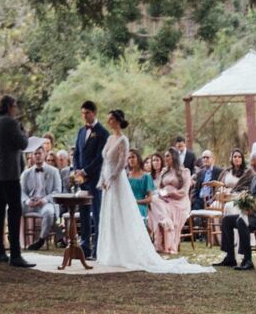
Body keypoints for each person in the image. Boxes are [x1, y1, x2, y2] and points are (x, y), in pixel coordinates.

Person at [92, 109, 211, 276]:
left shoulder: (123, 140)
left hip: (117, 180)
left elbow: (120, 164)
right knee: (109, 215)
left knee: (120, 213)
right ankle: (109, 252)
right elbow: (106, 162)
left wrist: (111, 178)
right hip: (107, 181)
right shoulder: (109, 138)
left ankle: (126, 253)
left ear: (118, 121)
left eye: (111, 119)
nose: (109, 121)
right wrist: (102, 180)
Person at [214, 151, 256, 272]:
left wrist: (253, 212)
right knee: (226, 220)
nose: (254, 168)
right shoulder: (255, 178)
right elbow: (250, 198)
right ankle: (230, 257)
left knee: (242, 221)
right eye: (252, 165)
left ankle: (247, 259)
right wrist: (244, 204)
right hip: (253, 215)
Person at [0, 93, 32, 268]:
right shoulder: (11, 123)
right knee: (14, 210)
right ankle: (16, 254)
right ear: (9, 107)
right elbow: (23, 144)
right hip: (10, 173)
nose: (16, 110)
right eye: (15, 107)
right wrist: (23, 132)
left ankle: (0, 252)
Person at [72, 101, 108, 261]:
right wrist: (77, 171)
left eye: (87, 113)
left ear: (94, 112)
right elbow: (76, 153)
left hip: (96, 180)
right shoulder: (81, 131)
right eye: (82, 113)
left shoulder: (102, 133)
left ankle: (97, 249)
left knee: (97, 214)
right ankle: (85, 247)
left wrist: (86, 171)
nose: (84, 116)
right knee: (84, 214)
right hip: (82, 181)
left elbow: (100, 157)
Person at [150, 148, 190, 254]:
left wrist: (170, 193)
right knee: (153, 200)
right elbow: (159, 188)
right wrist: (162, 194)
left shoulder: (184, 172)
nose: (165, 158)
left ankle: (168, 235)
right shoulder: (164, 171)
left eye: (167, 156)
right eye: (165, 156)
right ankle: (166, 226)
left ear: (174, 156)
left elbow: (184, 191)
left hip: (180, 202)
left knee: (158, 207)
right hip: (165, 200)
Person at [20, 146, 59, 249]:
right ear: (32, 156)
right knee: (12, 208)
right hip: (31, 204)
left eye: (39, 153)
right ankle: (13, 237)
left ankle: (41, 240)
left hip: (46, 203)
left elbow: (57, 191)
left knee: (49, 212)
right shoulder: (26, 173)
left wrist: (44, 200)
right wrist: (28, 201)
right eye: (35, 153)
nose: (37, 156)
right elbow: (22, 192)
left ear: (45, 154)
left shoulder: (54, 171)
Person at [126, 149, 154, 220]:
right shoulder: (126, 176)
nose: (131, 159)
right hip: (127, 205)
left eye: (133, 157)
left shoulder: (146, 177)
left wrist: (136, 202)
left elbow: (150, 198)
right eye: (129, 158)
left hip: (140, 206)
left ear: (138, 158)